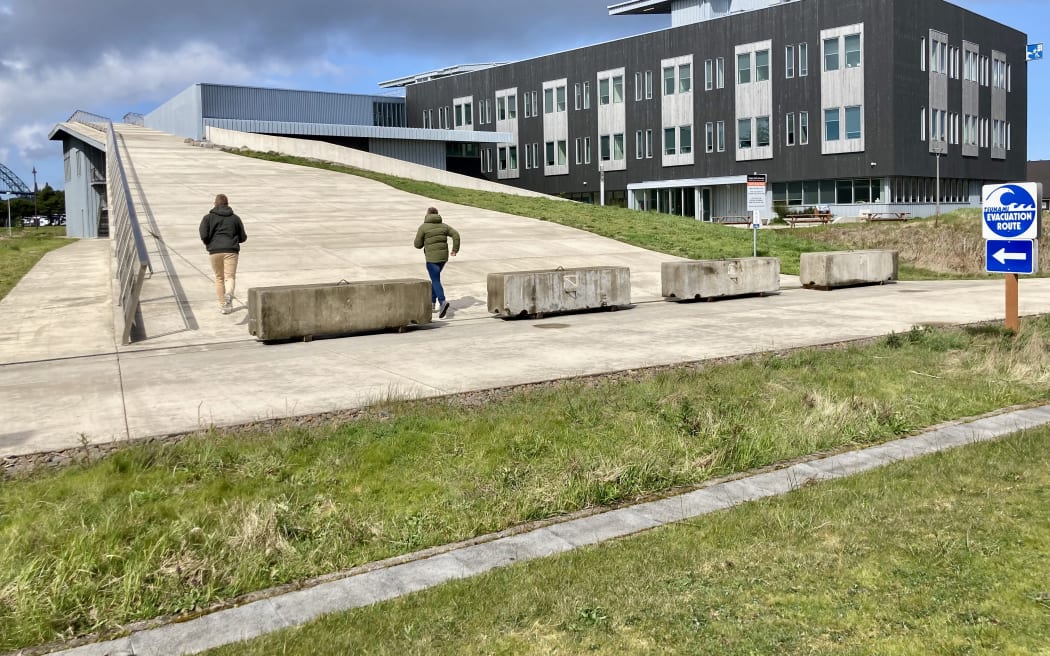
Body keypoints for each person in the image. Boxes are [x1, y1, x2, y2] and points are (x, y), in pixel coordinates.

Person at [199, 194, 247, 315]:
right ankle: (229, 295)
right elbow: (243, 237)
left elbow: (203, 234)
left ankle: (222, 305)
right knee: (229, 277)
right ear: (227, 204)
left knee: (219, 278)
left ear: (215, 203)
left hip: (214, 251)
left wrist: (208, 243)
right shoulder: (235, 218)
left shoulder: (207, 218)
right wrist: (234, 239)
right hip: (231, 250)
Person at [413, 207, 460, 318]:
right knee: (435, 279)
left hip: (431, 258)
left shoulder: (423, 227)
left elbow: (417, 245)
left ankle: (442, 302)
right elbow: (456, 235)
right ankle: (432, 303)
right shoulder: (444, 226)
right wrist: (455, 250)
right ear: (437, 214)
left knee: (435, 280)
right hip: (443, 258)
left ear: (427, 214)